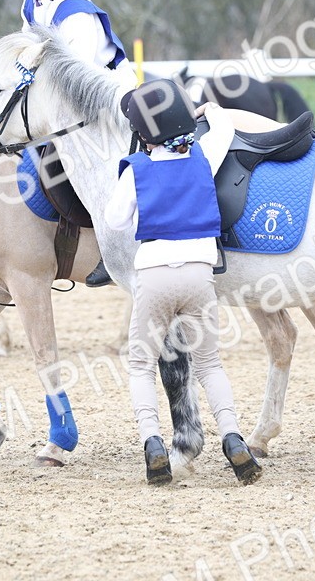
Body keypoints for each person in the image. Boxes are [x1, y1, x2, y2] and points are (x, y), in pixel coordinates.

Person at [105, 78, 262, 486]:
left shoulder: (135, 170)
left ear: (142, 134)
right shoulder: (203, 158)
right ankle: (233, 437)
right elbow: (224, 129)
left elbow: (114, 220)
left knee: (140, 365)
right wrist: (207, 111)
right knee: (209, 363)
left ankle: (153, 444)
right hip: (200, 273)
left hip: (154, 275)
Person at [13, 0, 136, 287]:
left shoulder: (75, 11)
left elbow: (74, 79)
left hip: (105, 100)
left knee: (88, 163)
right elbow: (26, 55)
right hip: (69, 100)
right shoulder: (32, 1)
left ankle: (109, 247)